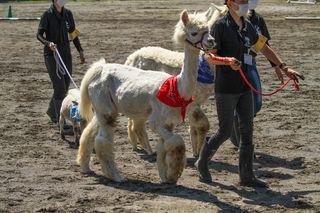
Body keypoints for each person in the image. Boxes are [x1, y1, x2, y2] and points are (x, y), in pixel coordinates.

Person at [195, 0, 303, 187]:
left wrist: (284, 68)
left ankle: (246, 176)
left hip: (245, 88)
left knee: (247, 131)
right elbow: (208, 56)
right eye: (241, 0)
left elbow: (263, 47)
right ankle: (202, 162)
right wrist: (227, 60)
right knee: (225, 131)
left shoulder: (249, 26)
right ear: (229, 3)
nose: (245, 3)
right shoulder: (220, 26)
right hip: (226, 88)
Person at [229, 0, 283, 147]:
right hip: (233, 66)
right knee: (241, 103)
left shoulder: (258, 20)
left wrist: (277, 66)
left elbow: (264, 45)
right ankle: (239, 137)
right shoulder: (228, 19)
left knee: (257, 103)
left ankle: (236, 121)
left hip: (250, 63)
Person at [37, 0, 85, 124]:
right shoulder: (47, 15)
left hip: (66, 54)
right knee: (59, 87)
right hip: (52, 55)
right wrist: (48, 43)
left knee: (64, 86)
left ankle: (52, 112)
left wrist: (80, 50)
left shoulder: (68, 14)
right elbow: (39, 35)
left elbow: (73, 33)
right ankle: (61, 122)